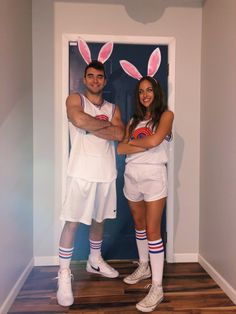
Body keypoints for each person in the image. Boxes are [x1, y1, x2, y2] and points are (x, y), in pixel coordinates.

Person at [56, 50, 124, 306]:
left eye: (100, 77)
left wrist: (90, 124)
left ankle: (95, 261)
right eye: (91, 76)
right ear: (85, 79)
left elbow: (119, 134)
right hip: (81, 173)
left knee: (99, 220)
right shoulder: (76, 99)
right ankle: (63, 273)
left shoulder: (113, 107)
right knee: (72, 222)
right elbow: (76, 117)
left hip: (106, 174)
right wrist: (104, 127)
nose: (95, 80)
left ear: (105, 81)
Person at [117, 75, 174, 312]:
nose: (145, 95)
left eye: (149, 90)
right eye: (141, 91)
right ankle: (144, 266)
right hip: (132, 176)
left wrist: (135, 143)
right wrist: (143, 142)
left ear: (156, 92)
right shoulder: (133, 120)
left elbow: (155, 141)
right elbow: (121, 148)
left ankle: (157, 287)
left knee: (153, 230)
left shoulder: (166, 116)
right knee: (139, 226)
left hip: (154, 176)